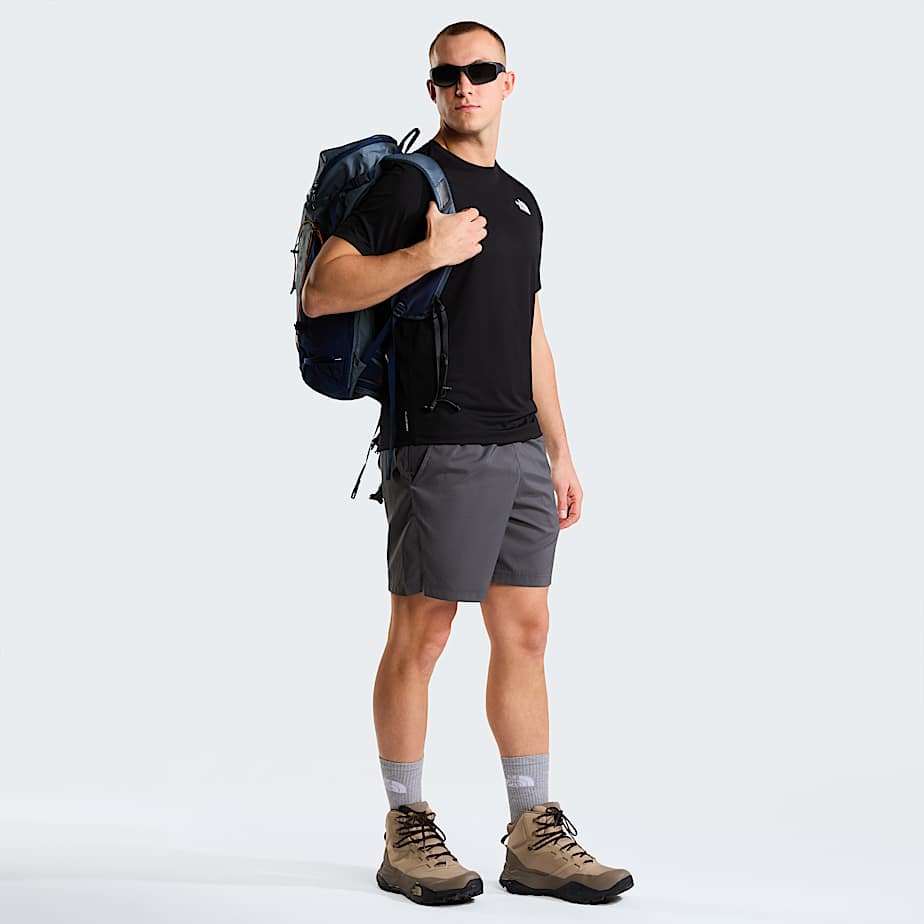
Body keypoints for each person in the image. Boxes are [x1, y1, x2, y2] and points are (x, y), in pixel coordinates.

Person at [301, 20, 634, 907]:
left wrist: (559, 450)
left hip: (519, 447)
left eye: (482, 71)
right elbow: (324, 288)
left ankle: (532, 832)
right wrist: (429, 250)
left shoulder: (521, 201)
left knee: (526, 634)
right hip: (438, 443)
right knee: (424, 634)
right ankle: (405, 826)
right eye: (449, 75)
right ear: (433, 89)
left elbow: (529, 328)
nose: (465, 86)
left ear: (508, 82)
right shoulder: (411, 183)